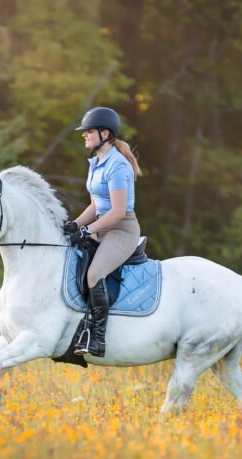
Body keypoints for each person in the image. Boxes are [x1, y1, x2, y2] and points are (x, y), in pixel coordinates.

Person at [63, 107, 142, 357]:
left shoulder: (118, 165)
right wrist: (75, 225)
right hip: (101, 227)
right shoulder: (96, 163)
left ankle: (97, 338)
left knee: (95, 274)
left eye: (89, 131)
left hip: (121, 229)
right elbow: (96, 205)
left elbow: (117, 212)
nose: (84, 135)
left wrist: (87, 230)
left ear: (105, 134)